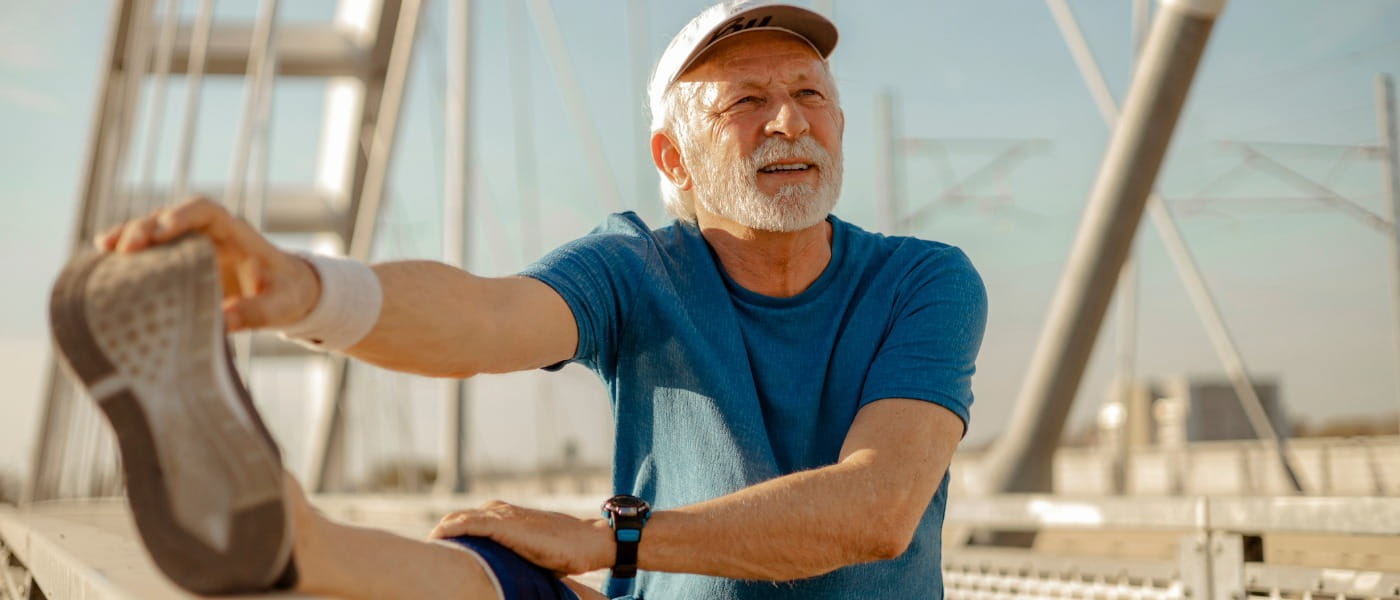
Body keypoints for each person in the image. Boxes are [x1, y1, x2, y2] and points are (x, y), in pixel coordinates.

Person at [52, 1, 987, 598]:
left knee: (546, 554)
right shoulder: (639, 268)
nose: (789, 120)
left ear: (839, 118)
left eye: (809, 94)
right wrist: (304, 289)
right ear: (675, 160)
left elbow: (877, 508)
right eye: (744, 102)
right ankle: (293, 546)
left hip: (632, 561)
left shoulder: (924, 279)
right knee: (497, 570)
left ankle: (287, 548)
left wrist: (606, 540)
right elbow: (488, 317)